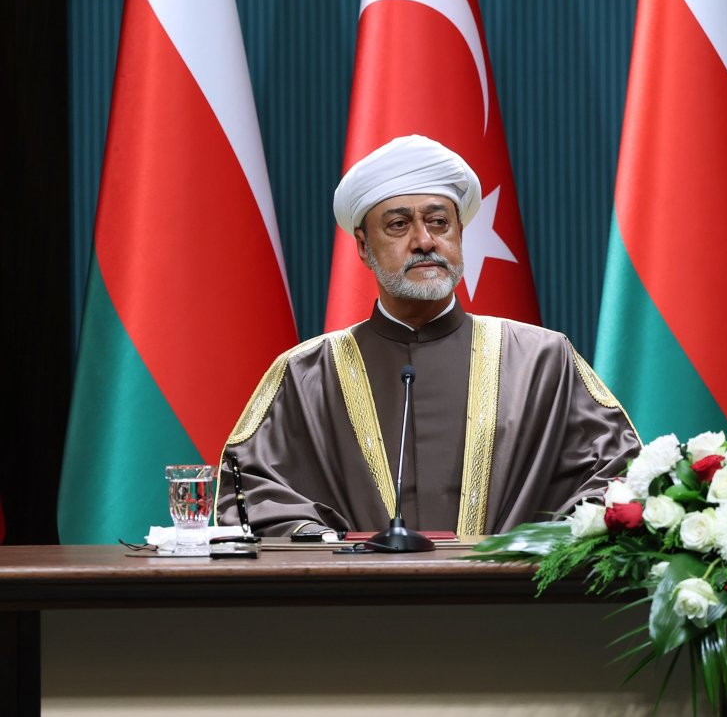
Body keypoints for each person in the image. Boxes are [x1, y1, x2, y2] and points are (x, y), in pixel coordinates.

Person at [218, 135, 641, 537]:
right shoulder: (308, 375)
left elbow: (618, 478)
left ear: (459, 233)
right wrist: (328, 543)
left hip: (515, 605)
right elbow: (250, 493)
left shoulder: (542, 361)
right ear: (364, 248)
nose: (424, 241)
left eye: (439, 222)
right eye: (399, 225)